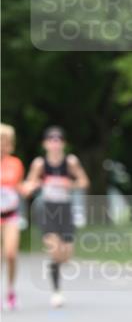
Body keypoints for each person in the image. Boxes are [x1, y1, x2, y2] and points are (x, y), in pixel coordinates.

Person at [23, 126, 89, 308]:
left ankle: (58, 262)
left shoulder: (70, 162)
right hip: (47, 209)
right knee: (54, 250)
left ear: (63, 143)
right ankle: (56, 292)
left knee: (66, 254)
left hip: (65, 210)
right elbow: (28, 185)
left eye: (58, 139)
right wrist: (33, 186)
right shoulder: (39, 164)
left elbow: (84, 182)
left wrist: (70, 183)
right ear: (45, 144)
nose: (55, 143)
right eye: (51, 140)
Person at [0, 124, 25, 311]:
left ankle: (10, 291)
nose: (3, 145)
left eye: (6, 141)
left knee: (10, 254)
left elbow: (19, 188)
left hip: (11, 215)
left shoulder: (15, 164)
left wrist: (28, 188)